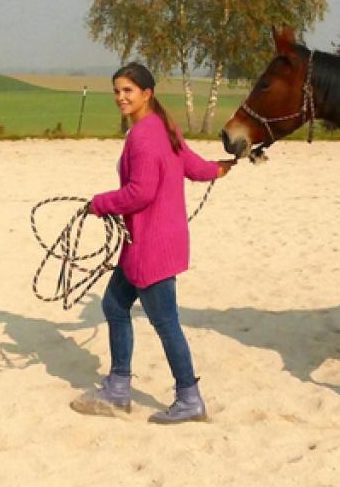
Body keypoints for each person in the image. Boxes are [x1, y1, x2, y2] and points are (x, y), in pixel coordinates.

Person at [70, 62, 235, 424]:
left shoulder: (145, 135)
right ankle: (117, 388)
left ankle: (189, 398)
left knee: (165, 322)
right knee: (114, 305)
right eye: (117, 90)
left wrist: (99, 203)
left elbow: (139, 193)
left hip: (150, 247)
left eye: (128, 90)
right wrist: (220, 168)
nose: (120, 97)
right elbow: (193, 166)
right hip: (151, 241)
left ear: (147, 93)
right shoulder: (164, 126)